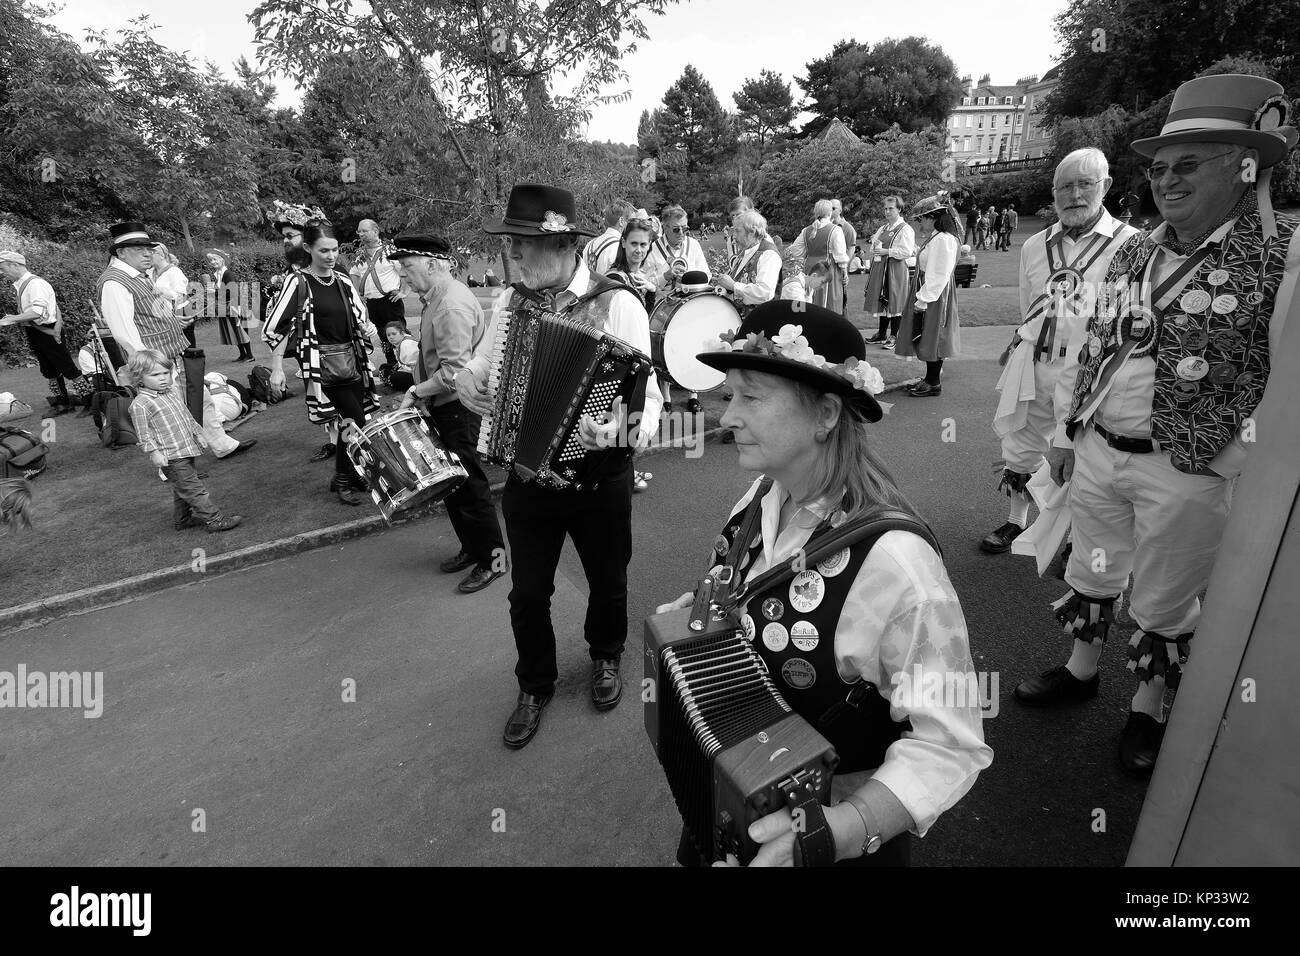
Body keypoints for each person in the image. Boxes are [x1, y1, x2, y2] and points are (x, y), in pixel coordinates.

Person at [1017, 73, 1300, 778]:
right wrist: (1065, 433)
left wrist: (1237, 459)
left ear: (1247, 168)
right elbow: (1093, 346)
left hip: (1190, 465)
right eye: (1161, 168)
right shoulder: (1137, 251)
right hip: (1099, 448)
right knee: (1094, 565)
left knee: (1168, 596)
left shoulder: (1283, 252)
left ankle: (1148, 706)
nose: (1166, 182)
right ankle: (1082, 670)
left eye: (1188, 166)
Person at [658, 300, 991, 866]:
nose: (727, 417)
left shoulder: (898, 564)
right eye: (728, 395)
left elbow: (948, 743)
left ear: (826, 414)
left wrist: (832, 835)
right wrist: (705, 619)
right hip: (733, 806)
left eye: (751, 396)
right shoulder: (761, 497)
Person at [455, 183, 663, 749]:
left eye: (521, 247)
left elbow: (650, 402)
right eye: (511, 248)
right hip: (527, 476)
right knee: (527, 592)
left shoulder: (617, 302)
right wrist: (471, 383)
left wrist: (619, 430)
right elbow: (480, 365)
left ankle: (605, 657)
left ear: (565, 244)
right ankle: (534, 684)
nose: (513, 259)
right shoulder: (509, 302)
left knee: (608, 578)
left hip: (599, 478)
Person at [982, 148, 1139, 556]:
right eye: (1064, 186)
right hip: (1035, 360)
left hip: (1092, 370)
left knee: (1080, 453)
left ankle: (1066, 536)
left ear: (1105, 186)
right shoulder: (1035, 244)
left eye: (1084, 184)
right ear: (1053, 193)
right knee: (1018, 445)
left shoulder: (1130, 244)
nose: (1073, 195)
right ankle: (1016, 522)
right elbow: (1026, 304)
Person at [389, 234, 507, 594]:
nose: (403, 277)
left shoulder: (451, 304)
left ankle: (493, 561)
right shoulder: (437, 298)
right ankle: (473, 549)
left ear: (433, 264)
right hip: (446, 407)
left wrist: (415, 391)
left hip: (458, 408)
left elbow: (454, 373)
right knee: (453, 485)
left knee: (470, 485)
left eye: (407, 268)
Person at [262, 221, 379, 506]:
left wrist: (368, 328)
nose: (330, 255)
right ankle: (342, 477)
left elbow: (361, 316)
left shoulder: (342, 280)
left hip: (351, 360)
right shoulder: (297, 281)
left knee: (356, 419)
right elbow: (274, 327)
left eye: (335, 249)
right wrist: (277, 367)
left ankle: (348, 475)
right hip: (321, 365)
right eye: (323, 250)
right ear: (308, 249)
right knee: (355, 420)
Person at [125, 350, 243, 533]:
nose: (163, 378)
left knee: (182, 487)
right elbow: (143, 434)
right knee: (194, 489)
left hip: (186, 449)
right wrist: (154, 453)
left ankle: (183, 520)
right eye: (155, 375)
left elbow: (186, 416)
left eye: (165, 373)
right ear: (138, 377)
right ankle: (215, 521)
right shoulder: (140, 404)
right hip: (170, 456)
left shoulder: (170, 392)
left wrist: (198, 433)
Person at [96, 222, 190, 386]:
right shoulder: (114, 282)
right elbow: (124, 331)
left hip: (167, 359)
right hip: (153, 368)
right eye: (139, 250)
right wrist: (150, 370)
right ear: (121, 252)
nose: (147, 254)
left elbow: (146, 314)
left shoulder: (139, 275)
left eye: (149, 249)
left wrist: (173, 321)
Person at [0, 251, 84, 416]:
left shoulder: (35, 284)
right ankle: (62, 403)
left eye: (3, 269)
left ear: (14, 265)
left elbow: (37, 312)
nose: (3, 274)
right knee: (48, 369)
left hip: (48, 331)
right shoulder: (24, 284)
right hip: (36, 332)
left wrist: (10, 319)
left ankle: (90, 401)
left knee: (67, 367)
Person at [647, 205, 711, 415]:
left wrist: (689, 278)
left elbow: (706, 274)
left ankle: (693, 393)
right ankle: (666, 396)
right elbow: (646, 282)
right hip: (663, 307)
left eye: (685, 228)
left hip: (690, 306)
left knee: (691, 347)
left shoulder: (693, 245)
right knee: (666, 349)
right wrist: (666, 275)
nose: (682, 233)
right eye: (676, 229)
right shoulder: (652, 248)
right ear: (664, 227)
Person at [896, 194, 962, 396]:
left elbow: (939, 273)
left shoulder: (944, 240)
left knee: (934, 334)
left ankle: (934, 383)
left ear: (933, 217)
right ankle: (929, 379)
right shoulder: (936, 238)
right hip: (929, 290)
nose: (919, 223)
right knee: (926, 334)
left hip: (935, 295)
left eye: (921, 219)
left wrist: (923, 299)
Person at [349, 219, 405, 372]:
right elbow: (354, 274)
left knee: (398, 332)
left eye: (364, 231)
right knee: (382, 336)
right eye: (359, 231)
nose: (361, 234)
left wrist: (403, 292)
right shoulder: (359, 255)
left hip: (390, 301)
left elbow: (404, 271)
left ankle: (407, 362)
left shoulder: (389, 250)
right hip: (372, 303)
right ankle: (392, 364)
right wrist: (357, 295)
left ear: (375, 231)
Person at [863, 195, 917, 349]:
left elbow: (907, 251)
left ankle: (894, 335)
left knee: (894, 299)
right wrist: (876, 248)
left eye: (891, 208)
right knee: (882, 299)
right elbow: (874, 247)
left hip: (895, 269)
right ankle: (881, 334)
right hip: (881, 268)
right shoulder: (883, 228)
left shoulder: (905, 229)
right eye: (885, 208)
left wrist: (886, 251)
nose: (887, 211)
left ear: (899, 209)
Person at [785, 199, 848, 315]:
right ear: (829, 213)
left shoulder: (806, 231)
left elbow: (794, 251)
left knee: (808, 301)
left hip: (809, 267)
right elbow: (841, 256)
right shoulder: (835, 230)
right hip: (828, 268)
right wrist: (844, 272)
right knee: (828, 305)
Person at [714, 209, 780, 317]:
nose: (733, 236)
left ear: (751, 233)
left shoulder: (768, 255)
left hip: (759, 324)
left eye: (737, 231)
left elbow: (764, 293)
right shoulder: (747, 251)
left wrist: (733, 285)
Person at [201, 249, 253, 362]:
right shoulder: (217, 275)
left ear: (222, 260)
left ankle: (250, 355)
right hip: (225, 305)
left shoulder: (228, 274)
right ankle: (243, 355)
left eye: (215, 259)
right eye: (211, 260)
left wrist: (214, 292)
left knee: (241, 330)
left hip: (234, 305)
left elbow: (232, 291)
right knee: (233, 330)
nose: (213, 262)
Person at [151, 244, 195, 348]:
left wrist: (159, 291)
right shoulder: (150, 272)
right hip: (162, 313)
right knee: (171, 346)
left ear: (161, 255)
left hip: (180, 311)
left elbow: (179, 296)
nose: (147, 257)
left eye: (150, 254)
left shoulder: (174, 272)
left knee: (187, 346)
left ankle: (193, 364)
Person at [582, 200, 635, 276]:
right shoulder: (620, 247)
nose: (634, 226)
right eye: (631, 221)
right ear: (621, 221)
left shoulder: (590, 244)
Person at [831, 198, 857, 314]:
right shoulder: (827, 226)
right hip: (829, 267)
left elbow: (852, 247)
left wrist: (845, 264)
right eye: (829, 208)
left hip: (840, 266)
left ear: (840, 210)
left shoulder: (847, 228)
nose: (830, 210)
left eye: (833, 208)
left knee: (842, 297)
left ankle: (843, 324)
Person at [382, 320, 420, 393]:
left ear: (402, 333)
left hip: (417, 375)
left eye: (394, 334)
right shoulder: (401, 342)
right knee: (384, 367)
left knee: (393, 377)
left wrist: (399, 370)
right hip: (409, 370)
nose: (391, 337)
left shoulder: (406, 344)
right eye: (388, 335)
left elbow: (414, 367)